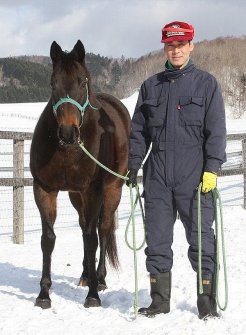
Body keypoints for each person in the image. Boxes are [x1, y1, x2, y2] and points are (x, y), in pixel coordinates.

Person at [126, 21, 226, 319]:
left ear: (191, 45)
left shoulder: (206, 84)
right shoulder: (150, 86)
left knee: (201, 241)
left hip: (194, 177)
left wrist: (212, 168)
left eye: (181, 45)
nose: (176, 50)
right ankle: (159, 300)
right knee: (156, 241)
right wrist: (133, 165)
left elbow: (216, 132)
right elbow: (139, 132)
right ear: (164, 48)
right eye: (171, 45)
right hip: (157, 177)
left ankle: (206, 301)